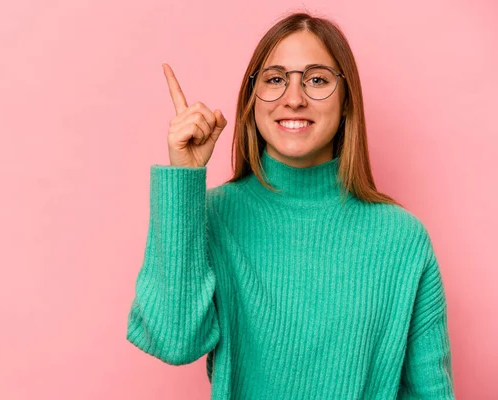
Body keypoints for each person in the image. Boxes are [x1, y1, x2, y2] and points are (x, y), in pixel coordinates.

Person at [125, 11, 455, 400]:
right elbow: (174, 341)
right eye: (275, 79)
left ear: (348, 101)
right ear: (252, 100)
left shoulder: (402, 239)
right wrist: (184, 182)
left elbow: (430, 392)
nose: (294, 98)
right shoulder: (211, 217)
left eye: (316, 79)